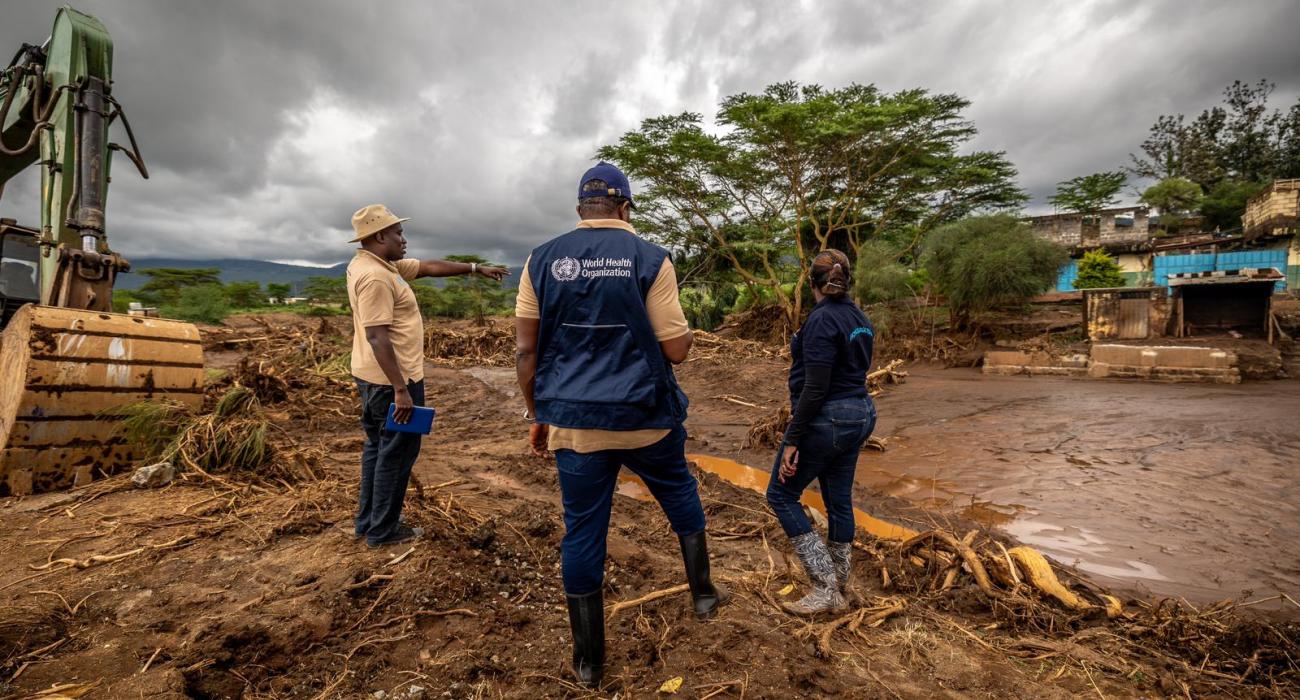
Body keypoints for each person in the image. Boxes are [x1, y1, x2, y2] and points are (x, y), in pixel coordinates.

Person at [514, 162, 727, 687]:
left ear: (581, 209)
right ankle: (702, 594)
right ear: (625, 207)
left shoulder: (540, 260)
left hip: (575, 425)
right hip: (645, 418)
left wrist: (538, 414)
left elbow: (526, 353)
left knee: (583, 531)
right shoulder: (651, 259)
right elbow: (675, 350)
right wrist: (689, 335)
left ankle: (589, 662)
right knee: (678, 491)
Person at [346, 204, 507, 548]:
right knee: (399, 452)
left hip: (375, 380)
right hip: (392, 384)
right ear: (379, 236)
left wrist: (477, 268)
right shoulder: (375, 277)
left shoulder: (378, 265)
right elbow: (377, 335)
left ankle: (368, 523)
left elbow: (430, 267)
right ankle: (383, 530)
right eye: (398, 233)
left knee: (378, 448)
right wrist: (401, 389)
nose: (404, 239)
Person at [765, 249, 877, 616]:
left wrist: (794, 438)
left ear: (812, 283)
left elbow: (815, 387)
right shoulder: (858, 317)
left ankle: (825, 586)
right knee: (839, 501)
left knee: (781, 495)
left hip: (829, 417)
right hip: (860, 413)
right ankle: (841, 582)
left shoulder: (821, 320)